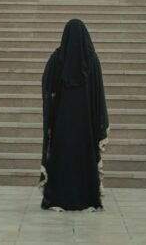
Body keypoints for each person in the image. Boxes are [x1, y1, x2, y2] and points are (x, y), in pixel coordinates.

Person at [40, 18, 109, 211]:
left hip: (63, 124)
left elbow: (47, 84)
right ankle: (87, 199)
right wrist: (98, 123)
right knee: (84, 160)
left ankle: (58, 199)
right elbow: (98, 94)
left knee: (62, 159)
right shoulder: (92, 60)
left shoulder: (58, 58)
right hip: (86, 126)